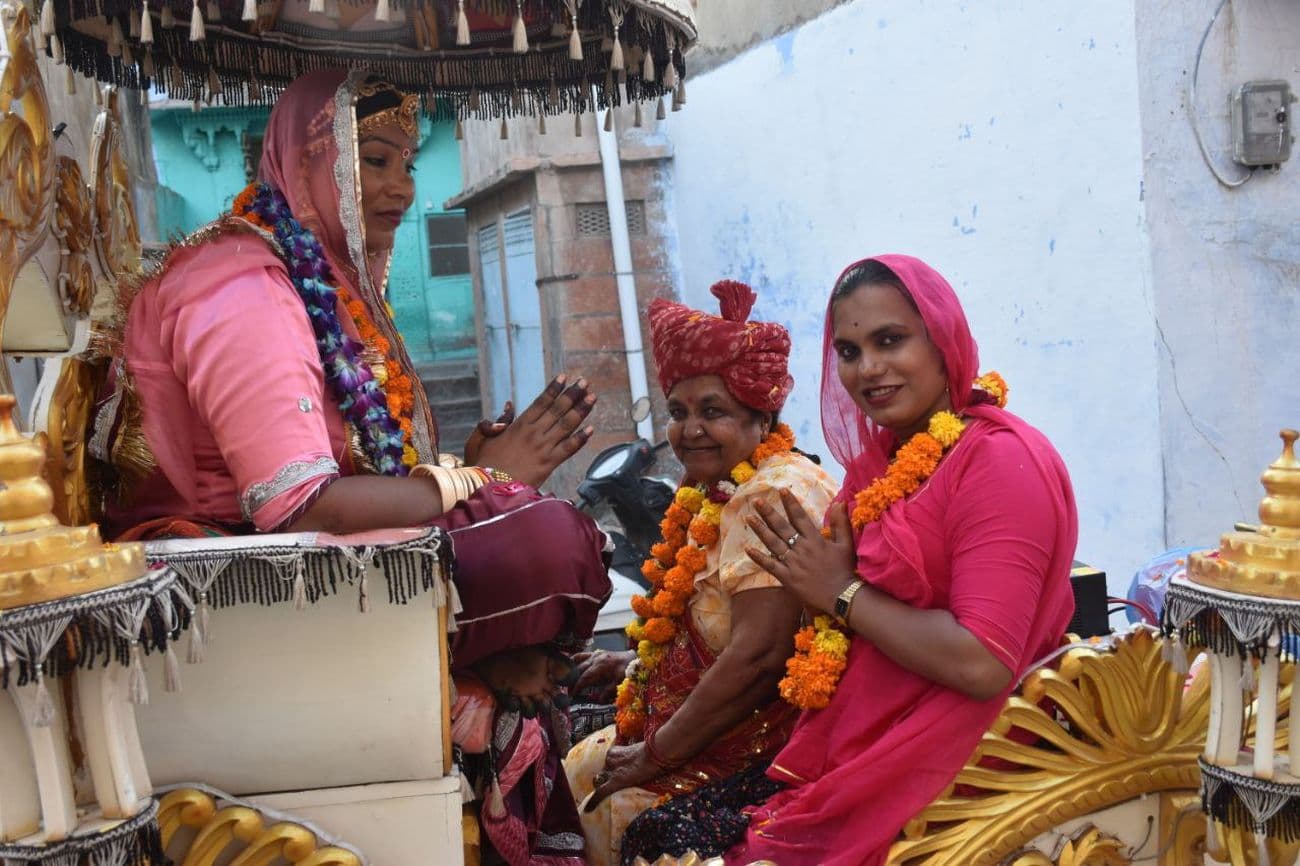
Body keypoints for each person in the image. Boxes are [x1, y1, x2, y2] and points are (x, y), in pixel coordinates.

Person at [90, 69, 606, 865]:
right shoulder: (239, 282)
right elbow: (293, 505)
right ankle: (501, 661)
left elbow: (356, 458)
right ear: (308, 160)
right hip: (230, 577)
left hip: (302, 559)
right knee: (543, 538)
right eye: (375, 160)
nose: (402, 187)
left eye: (409, 161)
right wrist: (479, 482)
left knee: (543, 532)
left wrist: (470, 475)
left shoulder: (317, 268)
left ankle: (504, 666)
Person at [711, 254, 1079, 865]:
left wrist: (840, 593)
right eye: (849, 351)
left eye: (890, 340)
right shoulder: (883, 462)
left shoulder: (999, 462)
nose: (868, 369)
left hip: (965, 763)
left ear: (943, 340)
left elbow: (984, 661)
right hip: (867, 744)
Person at [562, 280, 838, 866]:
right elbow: (708, 619)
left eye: (714, 411)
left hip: (763, 748)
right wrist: (637, 666)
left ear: (762, 416)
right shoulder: (722, 485)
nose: (690, 430)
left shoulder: (771, 493)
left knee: (611, 799)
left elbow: (758, 659)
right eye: (679, 413)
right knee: (578, 763)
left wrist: (656, 755)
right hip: (706, 724)